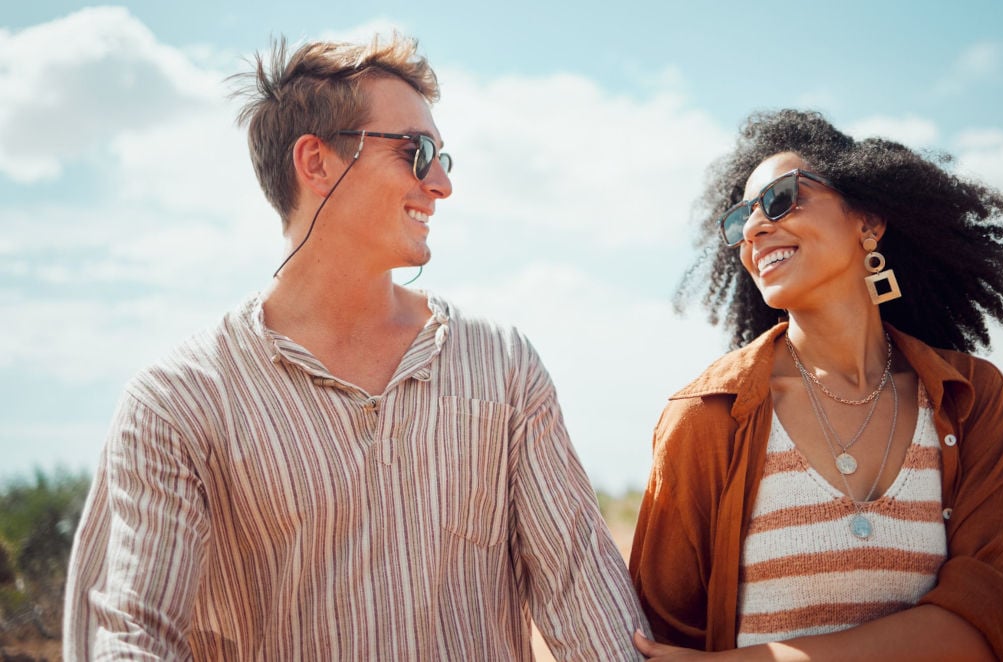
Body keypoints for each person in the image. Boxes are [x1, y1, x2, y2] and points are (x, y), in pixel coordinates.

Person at [63, 34, 648, 660]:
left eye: (445, 157)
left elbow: (589, 604)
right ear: (316, 163)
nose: (443, 184)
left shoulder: (503, 367)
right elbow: (132, 639)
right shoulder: (178, 402)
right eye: (418, 152)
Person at [628, 110, 1003, 660]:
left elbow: (984, 623)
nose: (755, 228)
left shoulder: (971, 398)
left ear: (867, 223)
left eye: (782, 198)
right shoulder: (707, 416)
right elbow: (662, 638)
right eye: (740, 221)